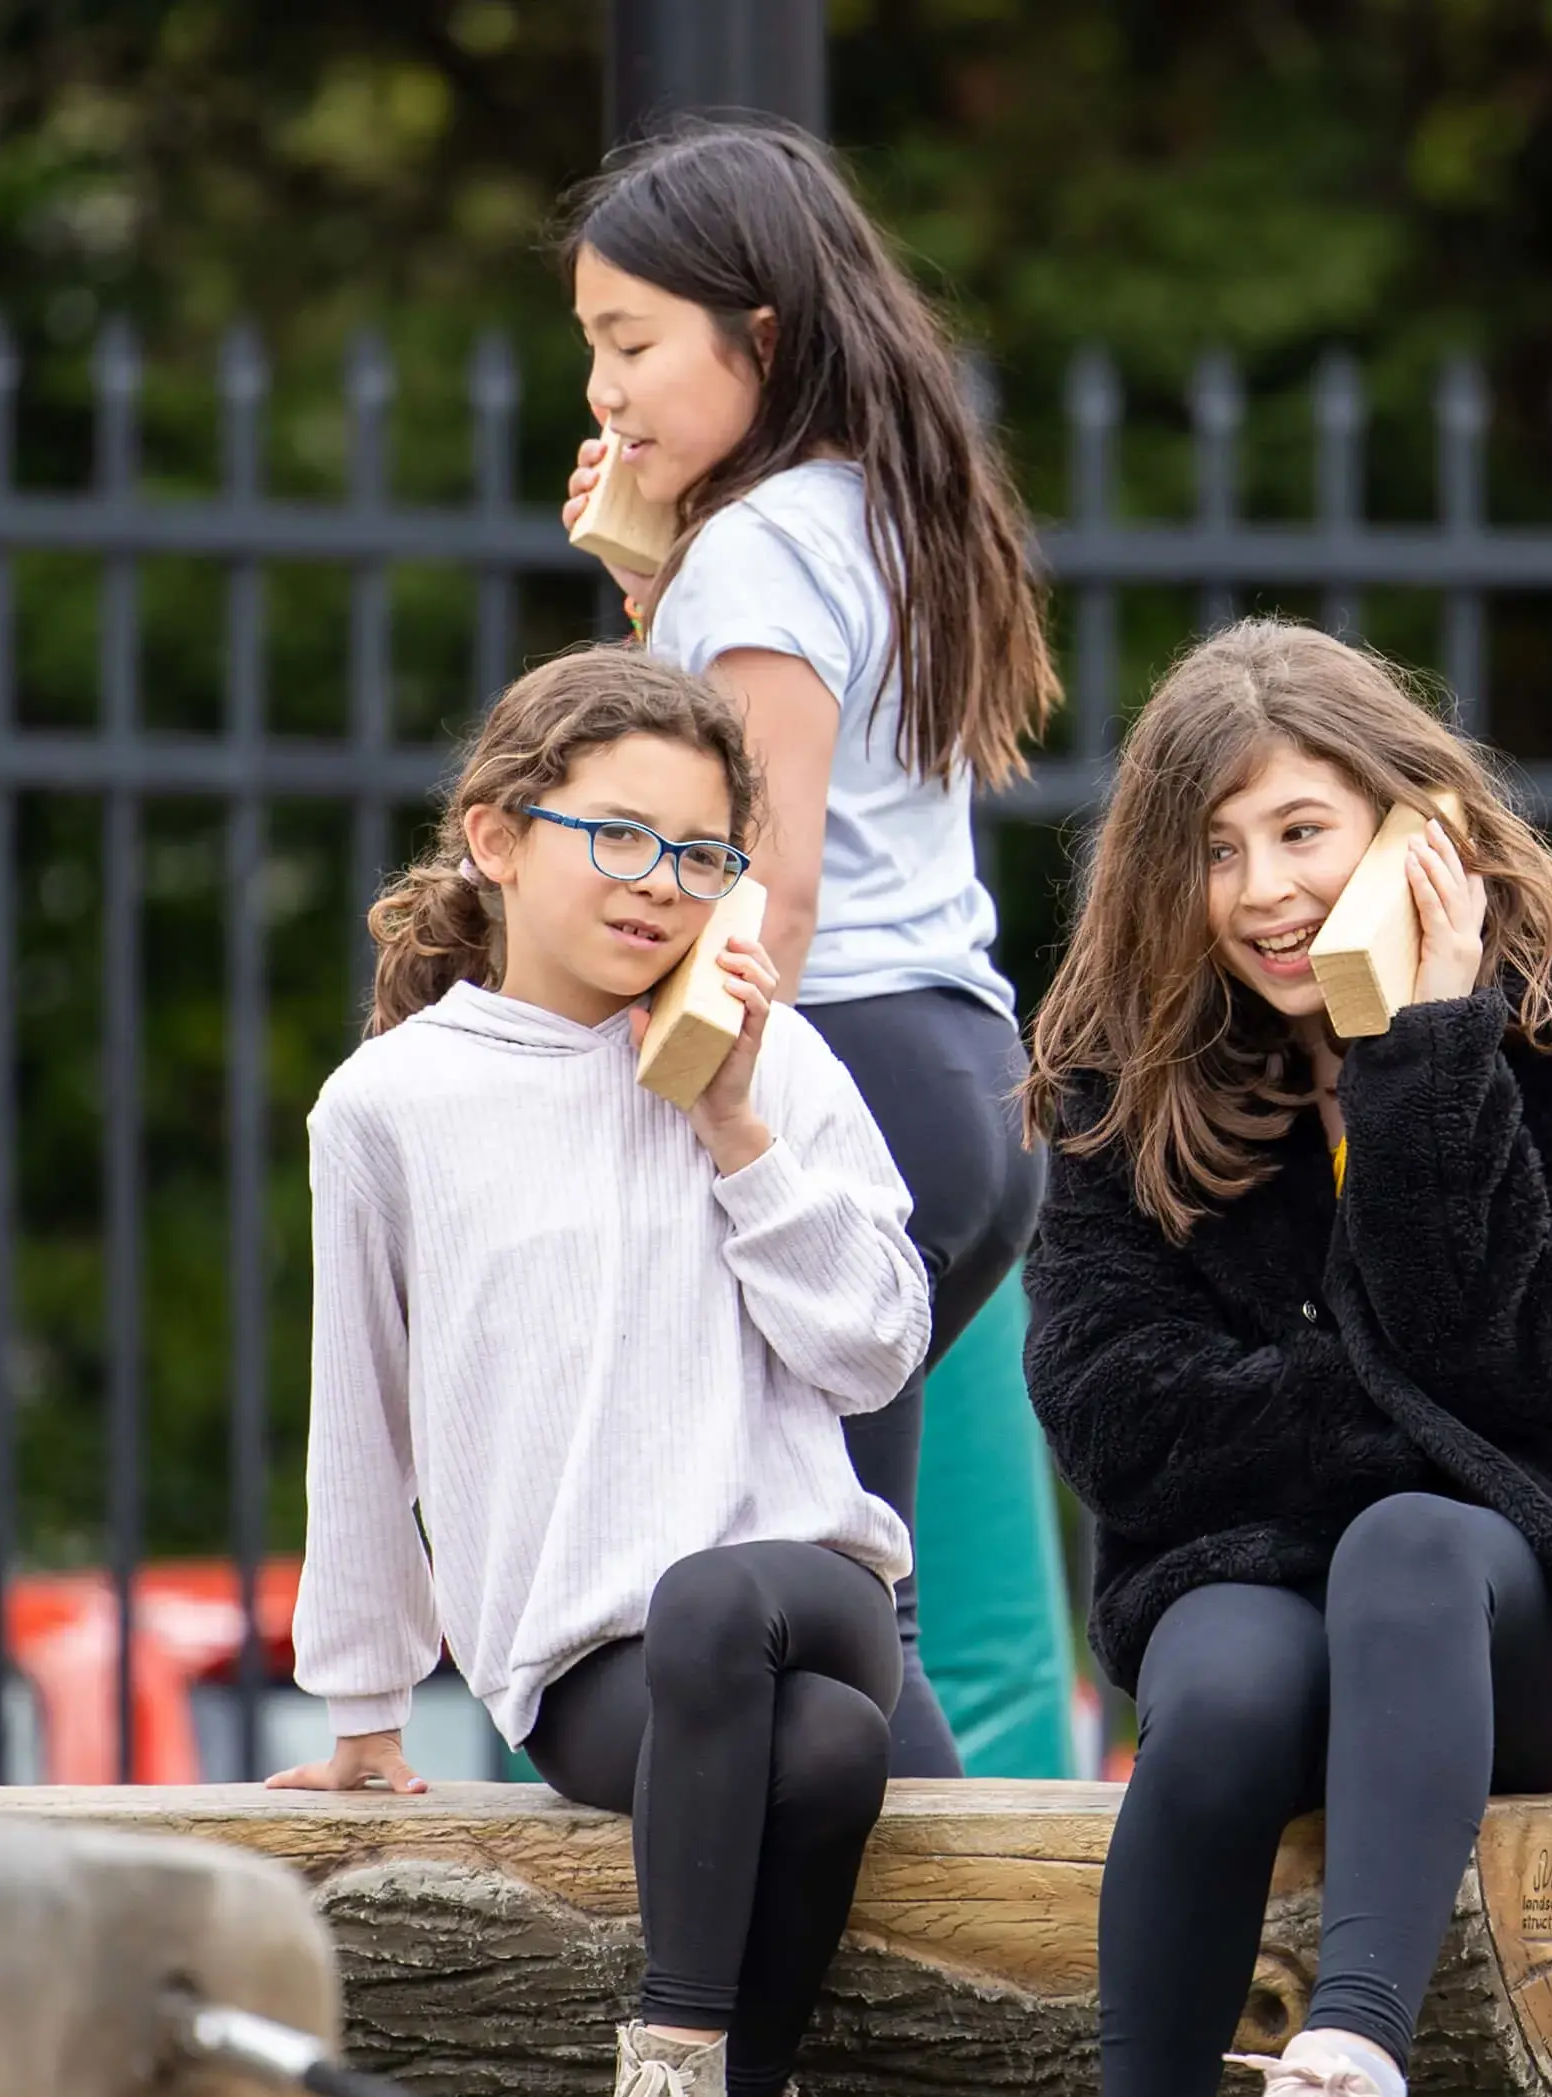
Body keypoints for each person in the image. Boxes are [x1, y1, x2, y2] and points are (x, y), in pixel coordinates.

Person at [1017, 619, 1552, 2097]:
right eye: (1216, 850)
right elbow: (1113, 1411)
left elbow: (1515, 1360)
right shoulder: (1113, 1078)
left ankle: (1346, 2093)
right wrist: (1372, 1404)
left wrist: (1425, 1043)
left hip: (1519, 1610)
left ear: (1416, 824)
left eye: (1302, 831)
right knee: (1226, 1694)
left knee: (1411, 1539)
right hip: (1236, 1581)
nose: (1258, 890)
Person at [270, 647, 930, 2097]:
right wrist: (360, 1709)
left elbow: (875, 1350)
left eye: (703, 855)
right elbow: (365, 1416)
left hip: (813, 1598)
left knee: (738, 1611)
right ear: (495, 836)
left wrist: (729, 1122)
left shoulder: (770, 1067)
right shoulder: (390, 1107)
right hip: (592, 1676)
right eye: (621, 839)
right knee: (826, 1763)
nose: (665, 887)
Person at [556, 116, 1057, 1771]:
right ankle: (945, 1988)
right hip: (955, 1074)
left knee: (832, 1599)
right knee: (854, 1589)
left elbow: (763, 884)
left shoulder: (764, 545)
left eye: (630, 345)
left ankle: (984, 2003)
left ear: (756, 335)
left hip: (849, 1081)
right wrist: (648, 594)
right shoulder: (871, 510)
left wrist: (696, 1103)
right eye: (589, 349)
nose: (602, 395)